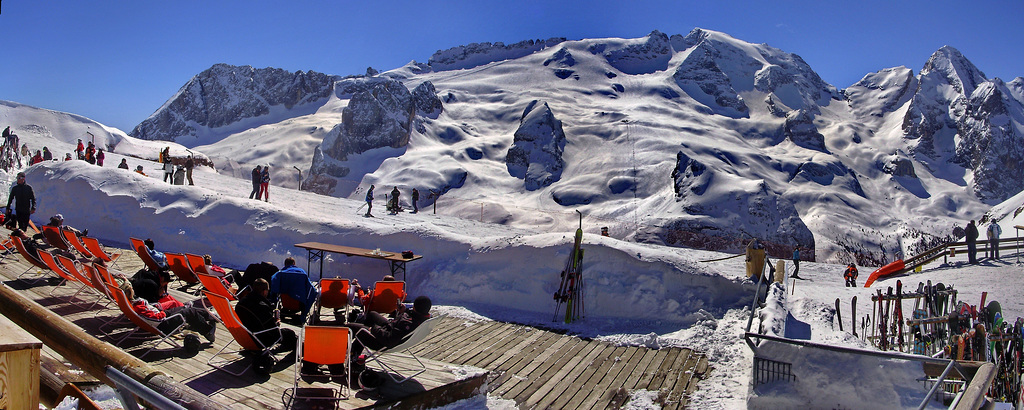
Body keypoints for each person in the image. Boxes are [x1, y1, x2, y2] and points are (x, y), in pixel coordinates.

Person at [346, 296, 432, 371]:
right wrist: (404, 311)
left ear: (414, 307)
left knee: (357, 330)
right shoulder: (423, 318)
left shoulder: (407, 324)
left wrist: (373, 329)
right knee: (372, 315)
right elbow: (402, 326)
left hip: (384, 343)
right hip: (392, 331)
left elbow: (389, 339)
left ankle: (353, 358)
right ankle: (357, 348)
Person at [120, 281, 217, 342]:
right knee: (189, 312)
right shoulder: (139, 307)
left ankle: (209, 315)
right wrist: (162, 313)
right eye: (132, 289)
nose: (133, 289)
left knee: (184, 308)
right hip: (163, 324)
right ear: (130, 293)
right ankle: (208, 331)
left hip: (161, 317)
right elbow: (155, 319)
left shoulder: (131, 303)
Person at [235, 278, 297, 352]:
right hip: (260, 340)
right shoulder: (262, 306)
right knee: (290, 333)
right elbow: (273, 331)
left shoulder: (241, 303)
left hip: (245, 337)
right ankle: (298, 352)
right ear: (264, 292)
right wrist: (277, 322)